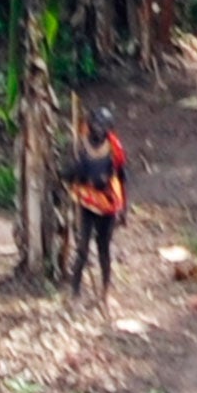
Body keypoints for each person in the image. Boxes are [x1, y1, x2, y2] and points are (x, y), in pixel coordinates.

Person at [65, 106, 127, 316]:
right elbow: (69, 174)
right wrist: (77, 172)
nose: (99, 130)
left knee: (103, 248)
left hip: (107, 202)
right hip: (87, 201)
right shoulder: (80, 145)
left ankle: (105, 292)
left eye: (104, 126)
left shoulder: (114, 148)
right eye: (96, 125)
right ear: (90, 125)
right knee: (82, 248)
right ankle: (74, 293)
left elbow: (121, 177)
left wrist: (124, 209)